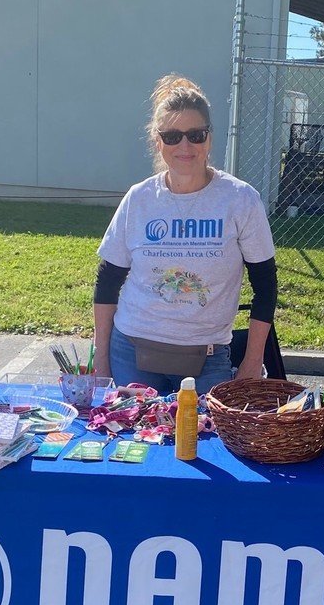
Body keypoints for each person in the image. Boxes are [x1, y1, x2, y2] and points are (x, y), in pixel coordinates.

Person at [92, 75, 278, 394]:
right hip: (131, 353)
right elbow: (107, 282)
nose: (185, 146)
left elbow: (265, 285)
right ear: (157, 141)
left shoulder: (241, 199)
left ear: (209, 138)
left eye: (195, 134)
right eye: (172, 136)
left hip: (207, 359)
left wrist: (251, 362)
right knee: (131, 439)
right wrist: (101, 360)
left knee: (204, 440)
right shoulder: (139, 199)